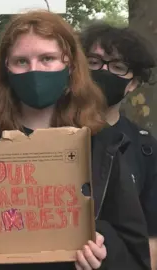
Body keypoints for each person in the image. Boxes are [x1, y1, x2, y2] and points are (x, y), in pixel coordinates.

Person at [0, 10, 151, 270]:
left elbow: (136, 255)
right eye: (21, 61)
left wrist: (104, 250)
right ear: (6, 68)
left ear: (68, 64)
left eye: (47, 58)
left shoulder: (100, 144)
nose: (34, 71)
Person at [79, 22, 157, 268]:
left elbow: (152, 243)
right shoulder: (52, 134)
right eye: (93, 62)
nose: (103, 71)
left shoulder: (146, 149)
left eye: (118, 67)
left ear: (133, 83)